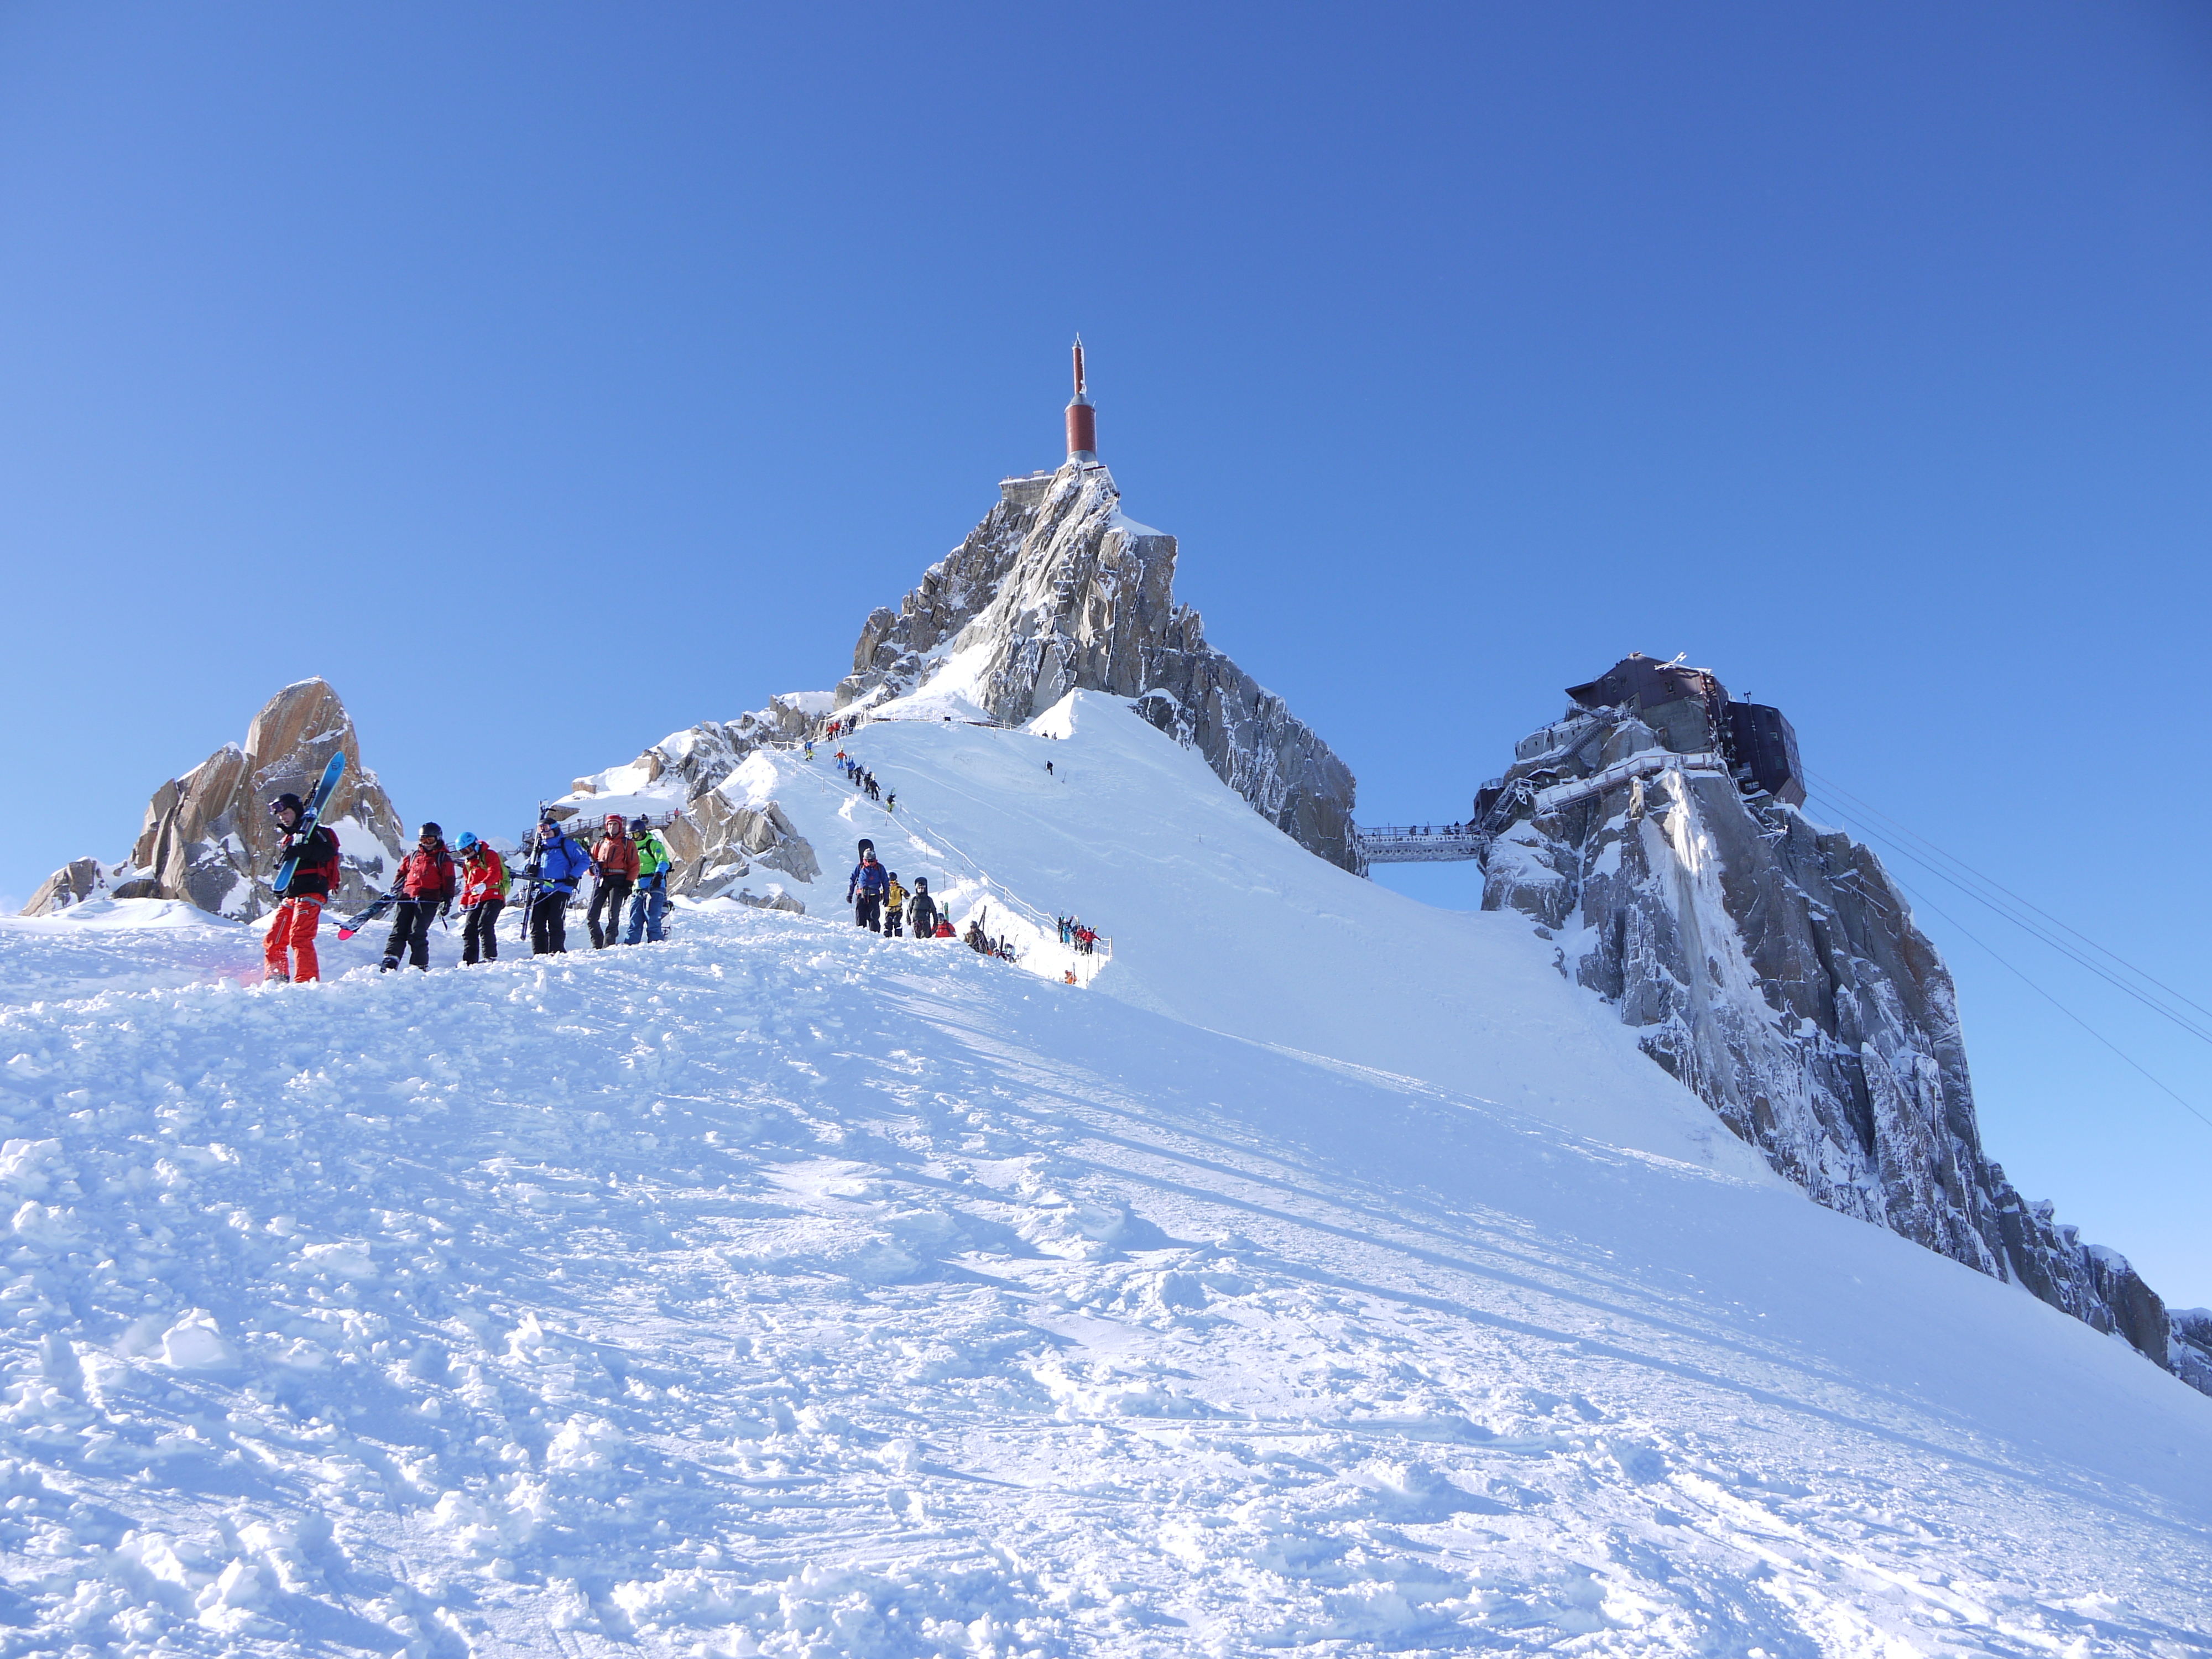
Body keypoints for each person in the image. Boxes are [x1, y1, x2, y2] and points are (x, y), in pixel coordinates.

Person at [263, 791, 341, 984]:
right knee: (274, 938)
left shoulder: (316, 832)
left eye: (286, 813)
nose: (283, 818)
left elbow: (328, 853)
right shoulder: (289, 839)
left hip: (312, 891)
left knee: (300, 937)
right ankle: (276, 977)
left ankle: (306, 981)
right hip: (292, 896)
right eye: (281, 816)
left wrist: (302, 850)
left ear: (296, 811)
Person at [380, 822, 457, 972]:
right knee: (399, 930)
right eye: (423, 840)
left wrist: (447, 900)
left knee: (417, 932)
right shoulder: (414, 856)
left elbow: (449, 881)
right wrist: (396, 888)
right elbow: (402, 873)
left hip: (428, 899)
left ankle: (419, 965)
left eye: (430, 840)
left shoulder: (443, 858)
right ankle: (390, 959)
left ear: (438, 839)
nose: (427, 844)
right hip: (407, 896)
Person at [526, 813, 592, 954]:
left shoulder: (567, 845)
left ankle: (557, 951)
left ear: (555, 831)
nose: (545, 835)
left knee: (555, 920)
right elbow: (528, 866)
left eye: (548, 832)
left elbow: (584, 861)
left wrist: (573, 876)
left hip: (561, 889)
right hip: (542, 890)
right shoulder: (539, 850)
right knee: (537, 922)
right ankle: (539, 953)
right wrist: (530, 870)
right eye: (542, 833)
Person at [588, 813, 638, 950]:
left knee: (613, 915)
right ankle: (597, 944)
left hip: (618, 880)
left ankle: (609, 944)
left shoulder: (627, 843)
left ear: (620, 826)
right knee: (591, 916)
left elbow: (634, 865)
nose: (612, 827)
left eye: (615, 824)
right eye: (610, 824)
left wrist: (629, 883)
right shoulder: (599, 844)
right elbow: (587, 866)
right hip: (601, 880)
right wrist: (593, 869)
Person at [456, 832, 507, 965]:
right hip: (475, 900)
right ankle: (469, 961)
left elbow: (495, 872)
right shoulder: (468, 864)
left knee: (485, 924)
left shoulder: (489, 855)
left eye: (468, 850)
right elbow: (468, 884)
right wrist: (463, 902)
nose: (467, 854)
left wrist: (485, 884)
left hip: (493, 895)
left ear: (475, 845)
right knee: (469, 930)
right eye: (463, 852)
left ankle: (490, 957)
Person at [625, 816, 674, 944]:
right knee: (635, 918)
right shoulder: (631, 849)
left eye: (635, 834)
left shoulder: (652, 844)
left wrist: (658, 875)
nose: (633, 838)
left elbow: (663, 861)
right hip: (638, 887)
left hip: (654, 885)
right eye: (630, 836)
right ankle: (631, 944)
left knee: (653, 917)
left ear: (641, 832)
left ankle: (656, 943)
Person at [847, 846, 889, 932]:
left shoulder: (880, 868)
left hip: (874, 897)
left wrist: (886, 897)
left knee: (874, 918)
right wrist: (849, 894)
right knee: (860, 917)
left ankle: (875, 936)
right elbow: (853, 880)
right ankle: (860, 935)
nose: (870, 863)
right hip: (861, 896)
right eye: (868, 861)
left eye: (872, 861)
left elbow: (886, 883)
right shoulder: (860, 867)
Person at [906, 875, 938, 940]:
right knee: (917, 939)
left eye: (922, 888)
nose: (921, 890)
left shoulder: (928, 900)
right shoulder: (914, 899)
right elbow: (909, 910)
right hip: (916, 922)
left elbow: (934, 911)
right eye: (919, 888)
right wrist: (908, 920)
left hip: (925, 921)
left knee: (925, 938)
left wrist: (936, 921)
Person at [883, 872, 906, 936]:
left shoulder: (899, 889)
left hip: (898, 909)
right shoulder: (886, 890)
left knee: (896, 922)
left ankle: (898, 937)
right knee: (888, 923)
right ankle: (887, 937)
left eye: (893, 882)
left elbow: (907, 896)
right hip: (889, 910)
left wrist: (906, 894)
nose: (892, 884)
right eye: (890, 883)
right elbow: (881, 895)